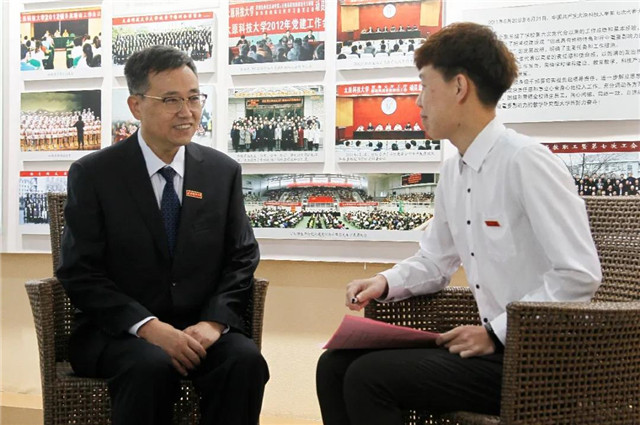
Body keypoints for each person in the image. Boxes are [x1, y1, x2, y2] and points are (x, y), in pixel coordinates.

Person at [316, 22, 601, 425]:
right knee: (334, 365)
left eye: (424, 86)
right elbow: (436, 261)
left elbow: (579, 273)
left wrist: (497, 332)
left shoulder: (526, 161)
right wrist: (385, 281)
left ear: (459, 87)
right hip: (495, 350)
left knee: (369, 378)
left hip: (539, 359)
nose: (418, 102)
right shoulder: (454, 171)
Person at [57, 45, 269, 425]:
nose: (187, 112)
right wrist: (148, 327)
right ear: (136, 106)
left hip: (199, 326)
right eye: (171, 100)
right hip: (120, 332)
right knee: (151, 366)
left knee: (245, 360)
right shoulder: (95, 175)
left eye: (194, 98)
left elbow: (242, 257)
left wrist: (214, 322)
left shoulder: (221, 172)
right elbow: (79, 271)